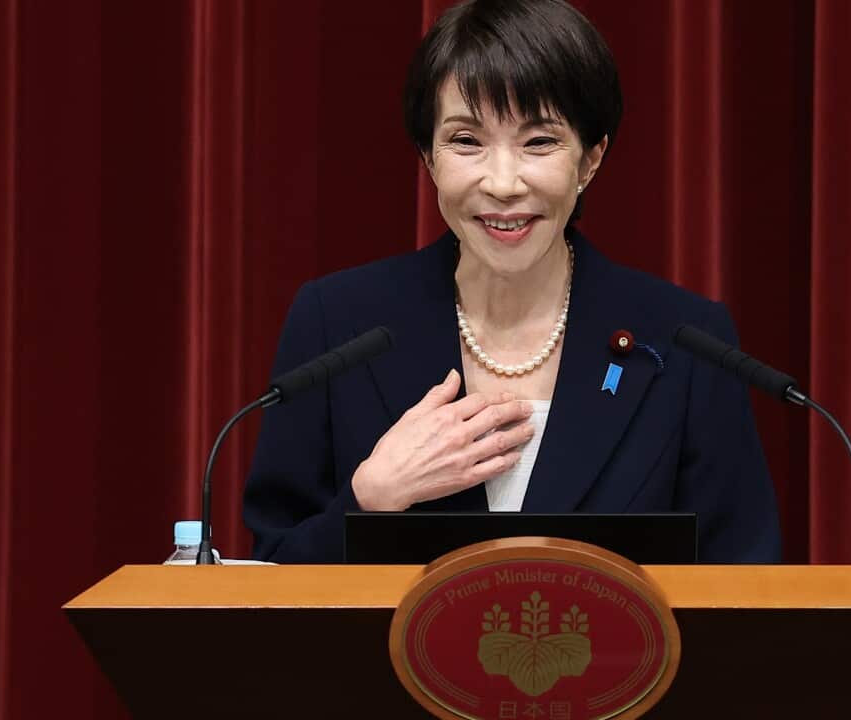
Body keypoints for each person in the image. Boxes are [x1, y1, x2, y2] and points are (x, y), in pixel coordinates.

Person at [243, 0, 780, 563]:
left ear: (591, 159)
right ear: (428, 156)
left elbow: (742, 582)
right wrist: (370, 498)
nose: (503, 183)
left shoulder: (683, 340)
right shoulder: (337, 323)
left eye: (539, 142)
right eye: (467, 141)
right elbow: (271, 574)